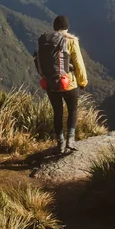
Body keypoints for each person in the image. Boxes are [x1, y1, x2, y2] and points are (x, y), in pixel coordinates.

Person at [33, 15, 89, 154]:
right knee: (72, 110)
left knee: (57, 113)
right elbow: (79, 64)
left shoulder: (46, 41)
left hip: (51, 83)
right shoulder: (71, 41)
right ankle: (70, 140)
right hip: (68, 83)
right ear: (67, 27)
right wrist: (83, 81)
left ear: (54, 27)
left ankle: (60, 143)